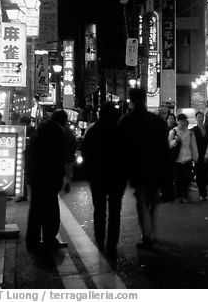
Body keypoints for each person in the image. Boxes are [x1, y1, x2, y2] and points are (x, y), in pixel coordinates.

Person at [116, 88, 172, 252]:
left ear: (131, 100)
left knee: (142, 202)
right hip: (155, 168)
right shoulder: (156, 121)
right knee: (151, 201)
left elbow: (120, 149)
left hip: (137, 169)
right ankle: (150, 232)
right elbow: (164, 149)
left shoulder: (126, 121)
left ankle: (146, 234)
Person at [82, 102, 127, 259]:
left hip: (97, 177)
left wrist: (89, 173)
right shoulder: (120, 131)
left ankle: (100, 240)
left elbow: (86, 153)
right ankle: (111, 245)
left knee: (99, 209)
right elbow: (126, 155)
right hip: (116, 177)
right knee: (115, 212)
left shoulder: (92, 131)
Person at [25, 109, 72, 251]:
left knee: (36, 209)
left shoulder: (39, 131)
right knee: (50, 210)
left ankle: (32, 240)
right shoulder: (58, 133)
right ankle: (49, 240)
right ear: (64, 121)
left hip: (36, 176)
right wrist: (64, 177)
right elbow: (58, 158)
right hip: (49, 178)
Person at [169, 113, 198, 203]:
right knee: (178, 179)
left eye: (184, 121)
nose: (182, 123)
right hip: (177, 159)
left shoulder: (190, 133)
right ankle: (180, 196)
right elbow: (169, 144)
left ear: (186, 122)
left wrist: (195, 156)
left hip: (187, 158)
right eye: (180, 121)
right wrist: (175, 141)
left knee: (187, 177)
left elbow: (193, 146)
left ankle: (185, 192)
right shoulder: (173, 131)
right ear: (177, 121)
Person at [191, 111, 208, 201]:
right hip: (198, 154)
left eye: (201, 117)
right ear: (196, 118)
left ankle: (204, 188)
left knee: (207, 174)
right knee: (199, 174)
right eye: (198, 117)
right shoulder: (193, 130)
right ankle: (203, 193)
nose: (200, 118)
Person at [16, 116, 36, 202]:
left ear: (28, 124)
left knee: (30, 177)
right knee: (22, 176)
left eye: (23, 124)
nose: (21, 126)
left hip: (31, 158)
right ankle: (24, 195)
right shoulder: (20, 131)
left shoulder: (34, 133)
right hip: (22, 156)